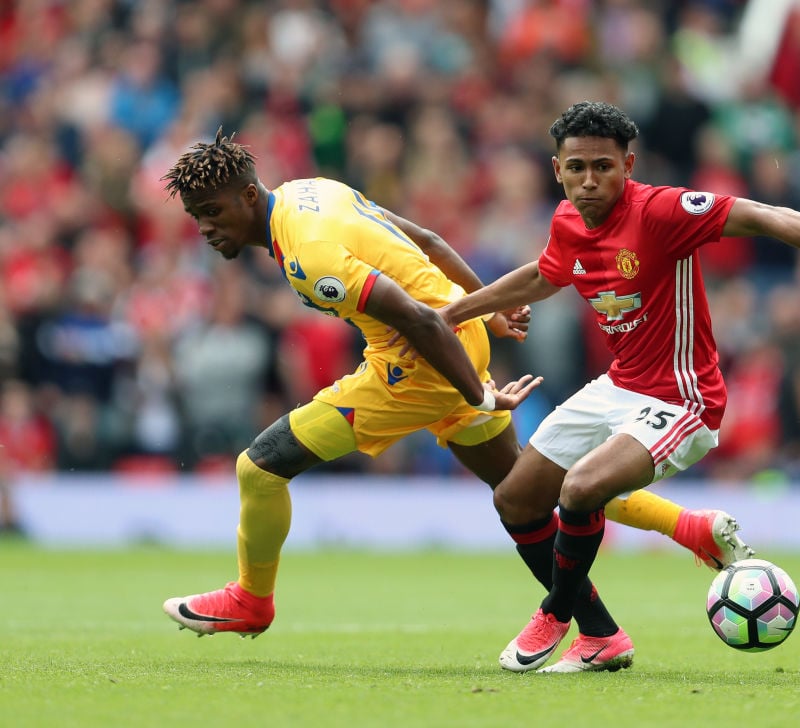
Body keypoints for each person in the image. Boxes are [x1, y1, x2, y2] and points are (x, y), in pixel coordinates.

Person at [158, 130, 742, 638]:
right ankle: (680, 536)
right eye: (197, 217)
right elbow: (429, 245)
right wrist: (484, 310)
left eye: (211, 212)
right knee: (525, 489)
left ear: (244, 196)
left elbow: (416, 317)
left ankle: (250, 601)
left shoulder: (307, 254)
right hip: (451, 345)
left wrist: (478, 393)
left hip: (419, 365)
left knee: (258, 467)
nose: (206, 228)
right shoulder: (314, 191)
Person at [439, 101, 800, 673]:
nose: (590, 180)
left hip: (683, 400)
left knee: (581, 488)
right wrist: (456, 311)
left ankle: (556, 611)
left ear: (628, 165)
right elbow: (545, 274)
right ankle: (602, 637)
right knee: (514, 497)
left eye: (604, 167)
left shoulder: (663, 212)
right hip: (619, 385)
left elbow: (760, 214)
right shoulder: (566, 220)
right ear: (557, 169)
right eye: (578, 167)